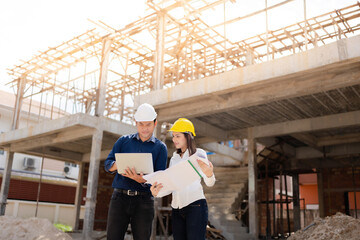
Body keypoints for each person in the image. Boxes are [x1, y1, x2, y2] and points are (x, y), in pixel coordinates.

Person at [104, 103, 168, 240]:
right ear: (136, 123)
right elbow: (107, 164)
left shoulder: (160, 148)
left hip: (143, 201)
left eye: (148, 124)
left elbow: (160, 177)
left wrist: (143, 180)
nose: (144, 129)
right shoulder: (123, 141)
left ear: (155, 123)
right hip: (119, 199)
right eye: (141, 124)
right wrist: (119, 164)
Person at [150, 118, 215, 240]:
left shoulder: (199, 154)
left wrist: (209, 174)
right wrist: (157, 193)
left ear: (188, 136)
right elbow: (172, 185)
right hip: (176, 209)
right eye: (173, 136)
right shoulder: (174, 158)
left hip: (196, 207)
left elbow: (210, 183)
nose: (174, 139)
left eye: (178, 136)